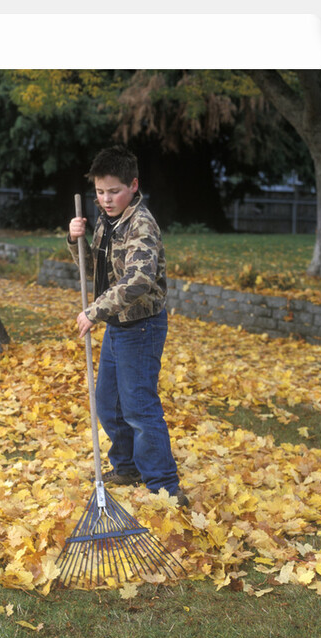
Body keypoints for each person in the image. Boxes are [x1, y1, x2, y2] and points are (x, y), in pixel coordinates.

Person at [67, 145, 189, 507]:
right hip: (119, 325)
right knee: (108, 402)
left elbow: (138, 280)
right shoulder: (108, 221)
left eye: (114, 191)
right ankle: (127, 467)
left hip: (142, 327)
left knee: (138, 406)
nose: (106, 199)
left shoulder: (141, 225)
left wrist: (94, 312)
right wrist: (75, 240)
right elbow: (93, 270)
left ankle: (165, 486)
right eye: (100, 192)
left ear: (134, 185)